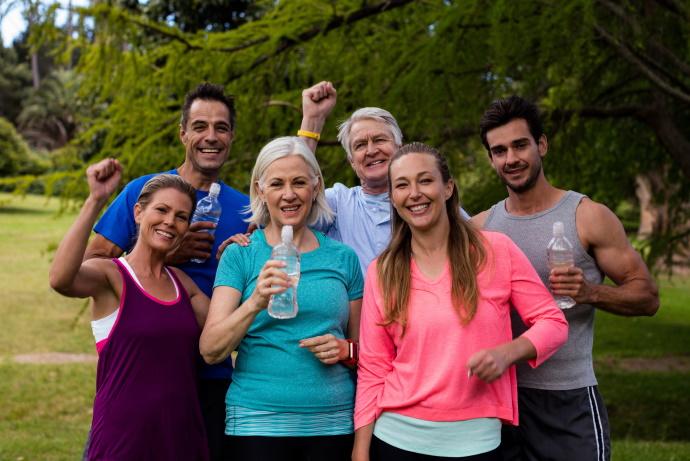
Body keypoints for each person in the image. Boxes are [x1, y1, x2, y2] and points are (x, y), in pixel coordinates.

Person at [471, 95, 660, 461]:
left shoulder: (587, 216)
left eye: (520, 145)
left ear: (541, 144)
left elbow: (648, 298)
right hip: (499, 400)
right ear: (491, 158)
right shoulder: (480, 228)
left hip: (568, 398)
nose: (511, 159)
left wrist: (590, 292)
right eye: (499, 150)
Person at [353, 142, 569, 461]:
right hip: (395, 440)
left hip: (478, 442)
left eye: (425, 180)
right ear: (392, 198)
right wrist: (360, 451)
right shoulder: (381, 271)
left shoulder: (496, 250)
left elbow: (553, 323)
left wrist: (506, 353)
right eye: (401, 185)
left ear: (448, 187)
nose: (414, 193)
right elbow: (374, 367)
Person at [82, 83, 249, 460]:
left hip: (212, 377)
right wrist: (165, 257)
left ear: (232, 137)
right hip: (145, 370)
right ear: (183, 133)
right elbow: (94, 262)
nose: (211, 136)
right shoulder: (144, 193)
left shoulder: (245, 209)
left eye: (221, 128)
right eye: (200, 126)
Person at [200, 137, 363, 461]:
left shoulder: (343, 258)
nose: (289, 194)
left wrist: (346, 350)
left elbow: (366, 353)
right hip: (255, 422)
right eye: (277, 184)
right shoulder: (241, 254)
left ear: (315, 187)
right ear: (261, 190)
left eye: (299, 182)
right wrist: (256, 301)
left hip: (332, 424)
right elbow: (211, 349)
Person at [49, 159, 209, 460]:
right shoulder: (110, 275)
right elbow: (60, 280)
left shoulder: (183, 284)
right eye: (161, 210)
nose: (170, 222)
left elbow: (227, 334)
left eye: (181, 216)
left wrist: (242, 260)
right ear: (138, 212)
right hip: (122, 441)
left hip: (181, 438)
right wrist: (95, 200)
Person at [227, 82, 470, 275]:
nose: (371, 150)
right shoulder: (337, 203)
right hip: (357, 329)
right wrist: (312, 120)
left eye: (380, 140)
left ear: (400, 147)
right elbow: (295, 181)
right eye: (360, 145)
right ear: (352, 161)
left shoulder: (428, 200)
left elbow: (477, 236)